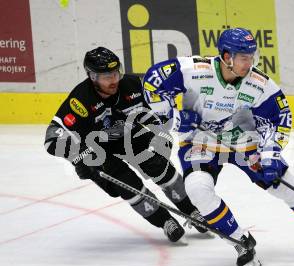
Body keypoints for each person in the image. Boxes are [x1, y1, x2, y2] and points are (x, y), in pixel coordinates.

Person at [142, 28, 294, 266]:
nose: (249, 63)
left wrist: (270, 153)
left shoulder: (259, 84)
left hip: (244, 143)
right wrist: (174, 119)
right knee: (197, 189)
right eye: (244, 58)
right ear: (226, 56)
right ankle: (240, 241)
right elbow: (151, 84)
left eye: (252, 57)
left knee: (285, 185)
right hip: (200, 142)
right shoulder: (193, 71)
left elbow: (279, 118)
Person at [44, 46, 209, 244]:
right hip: (97, 149)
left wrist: (166, 129)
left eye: (115, 73)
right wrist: (79, 155)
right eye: (106, 76)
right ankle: (164, 221)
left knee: (157, 164)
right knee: (127, 185)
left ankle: (191, 210)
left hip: (129, 135)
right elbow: (52, 139)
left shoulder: (131, 85)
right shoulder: (80, 100)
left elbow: (156, 113)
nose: (114, 80)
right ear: (92, 76)